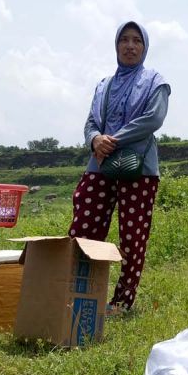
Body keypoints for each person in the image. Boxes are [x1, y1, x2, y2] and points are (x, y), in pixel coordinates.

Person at [68, 21, 170, 316]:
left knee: (132, 235)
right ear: (116, 46)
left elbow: (153, 119)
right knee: (83, 230)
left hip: (139, 169)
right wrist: (95, 139)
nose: (130, 46)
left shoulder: (156, 82)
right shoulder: (104, 85)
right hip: (99, 165)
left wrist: (112, 140)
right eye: (124, 40)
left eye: (136, 40)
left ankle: (122, 302)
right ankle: (80, 291)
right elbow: (90, 122)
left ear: (144, 46)